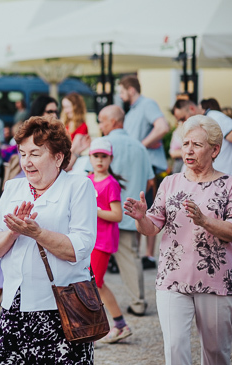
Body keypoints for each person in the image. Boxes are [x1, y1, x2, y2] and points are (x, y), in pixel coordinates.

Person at [0, 116, 97, 364]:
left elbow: (81, 247)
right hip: (15, 305)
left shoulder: (79, 186)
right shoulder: (13, 188)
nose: (27, 162)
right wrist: (13, 232)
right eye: (22, 154)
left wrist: (37, 233)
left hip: (61, 309)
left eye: (35, 153)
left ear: (58, 157)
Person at [124, 115, 232, 365]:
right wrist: (141, 218)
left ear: (215, 149)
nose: (189, 150)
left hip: (215, 281)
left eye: (197, 144)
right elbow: (152, 228)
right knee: (174, 349)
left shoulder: (228, 185)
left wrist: (205, 221)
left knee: (217, 354)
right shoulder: (170, 182)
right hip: (172, 279)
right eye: (185, 144)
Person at [95, 105, 153, 316]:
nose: (99, 124)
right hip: (130, 214)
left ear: (113, 121)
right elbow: (150, 180)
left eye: (101, 120)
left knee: (100, 264)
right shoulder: (139, 146)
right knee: (131, 257)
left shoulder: (104, 145)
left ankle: (125, 307)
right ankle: (137, 302)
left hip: (105, 215)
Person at [119, 75, 170, 270]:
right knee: (140, 208)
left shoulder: (147, 104)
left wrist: (142, 145)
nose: (120, 96)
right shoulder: (133, 110)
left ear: (131, 90)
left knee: (149, 209)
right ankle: (143, 255)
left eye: (122, 91)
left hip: (149, 166)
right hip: (139, 166)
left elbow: (162, 127)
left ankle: (148, 255)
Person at [86, 138, 132, 344]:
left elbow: (117, 215)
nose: (99, 160)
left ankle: (109, 327)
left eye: (104, 156)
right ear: (90, 157)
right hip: (88, 239)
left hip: (103, 241)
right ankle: (119, 325)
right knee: (93, 284)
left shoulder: (111, 184)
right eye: (96, 156)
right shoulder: (87, 180)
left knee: (95, 284)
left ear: (110, 158)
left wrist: (95, 211)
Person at [172, 99, 232, 175]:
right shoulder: (197, 125)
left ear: (192, 109)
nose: (183, 123)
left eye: (183, 118)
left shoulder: (216, 117)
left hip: (220, 180)